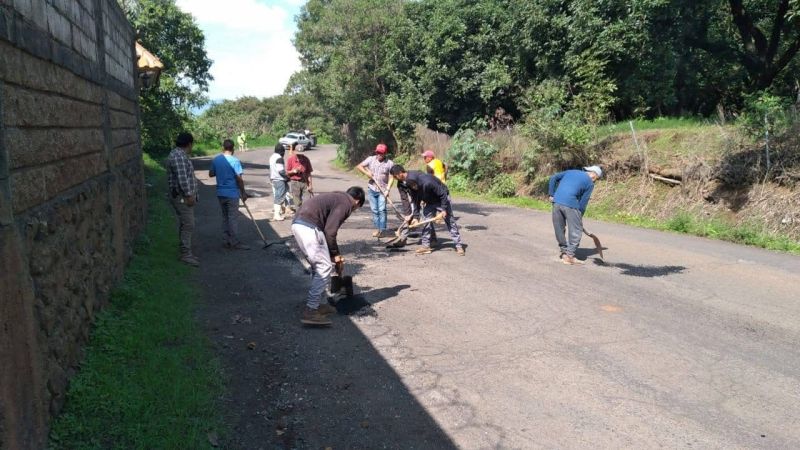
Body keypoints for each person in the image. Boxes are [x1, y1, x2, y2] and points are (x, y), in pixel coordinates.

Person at [291, 187, 366, 326]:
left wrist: (332, 253)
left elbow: (326, 230)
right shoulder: (346, 203)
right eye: (357, 208)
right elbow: (330, 231)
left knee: (317, 268)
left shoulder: (337, 197)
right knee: (324, 267)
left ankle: (320, 304)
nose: (353, 211)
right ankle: (311, 311)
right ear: (357, 201)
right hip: (309, 227)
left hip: (299, 225)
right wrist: (336, 254)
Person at [390, 165, 465, 256]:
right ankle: (426, 246)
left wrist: (444, 210)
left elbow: (443, 194)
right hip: (429, 201)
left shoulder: (428, 182)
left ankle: (458, 245)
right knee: (425, 220)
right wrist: (416, 217)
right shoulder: (412, 187)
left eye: (414, 188)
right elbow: (416, 201)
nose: (413, 190)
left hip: (441, 199)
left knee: (450, 221)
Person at [548, 165, 603, 265]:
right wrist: (579, 216)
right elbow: (583, 202)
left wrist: (551, 194)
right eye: (596, 179)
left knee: (559, 228)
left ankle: (564, 253)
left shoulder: (570, 171)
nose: (595, 181)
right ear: (593, 174)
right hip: (571, 204)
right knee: (576, 231)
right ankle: (570, 256)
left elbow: (553, 178)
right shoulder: (590, 183)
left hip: (556, 202)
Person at [209, 139, 249, 250]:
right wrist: (243, 192)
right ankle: (234, 242)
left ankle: (226, 240)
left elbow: (211, 174)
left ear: (223, 148)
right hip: (232, 193)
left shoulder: (216, 160)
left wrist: (221, 171)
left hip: (220, 193)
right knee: (233, 218)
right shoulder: (235, 161)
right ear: (233, 148)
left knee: (225, 217)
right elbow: (239, 180)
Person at [166, 132, 200, 266]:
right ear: (189, 144)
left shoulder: (177, 154)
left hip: (182, 195)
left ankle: (186, 252)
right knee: (188, 224)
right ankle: (186, 254)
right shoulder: (179, 156)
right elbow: (182, 179)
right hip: (182, 196)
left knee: (186, 223)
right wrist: (189, 195)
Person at [356, 144, 394, 237]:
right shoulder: (371, 159)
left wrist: (388, 189)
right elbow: (359, 166)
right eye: (378, 152)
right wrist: (367, 173)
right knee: (375, 210)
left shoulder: (390, 163)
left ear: (385, 153)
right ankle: (378, 229)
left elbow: (391, 177)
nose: (379, 154)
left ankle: (383, 230)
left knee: (382, 210)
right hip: (372, 188)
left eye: (381, 153)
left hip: (383, 190)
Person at [286, 143, 314, 208]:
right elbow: (287, 172)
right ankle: (299, 215)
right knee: (297, 202)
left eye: (301, 154)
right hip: (295, 182)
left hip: (304, 181)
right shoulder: (291, 159)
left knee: (307, 201)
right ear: (295, 152)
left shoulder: (306, 159)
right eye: (298, 154)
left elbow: (309, 173)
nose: (300, 156)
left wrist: (310, 185)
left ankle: (306, 215)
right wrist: (293, 171)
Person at [269, 143, 289, 221]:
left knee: (277, 197)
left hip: (273, 179)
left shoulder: (272, 157)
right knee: (279, 197)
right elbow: (281, 171)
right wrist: (287, 177)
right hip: (279, 180)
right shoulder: (279, 158)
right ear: (282, 151)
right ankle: (277, 215)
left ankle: (277, 213)